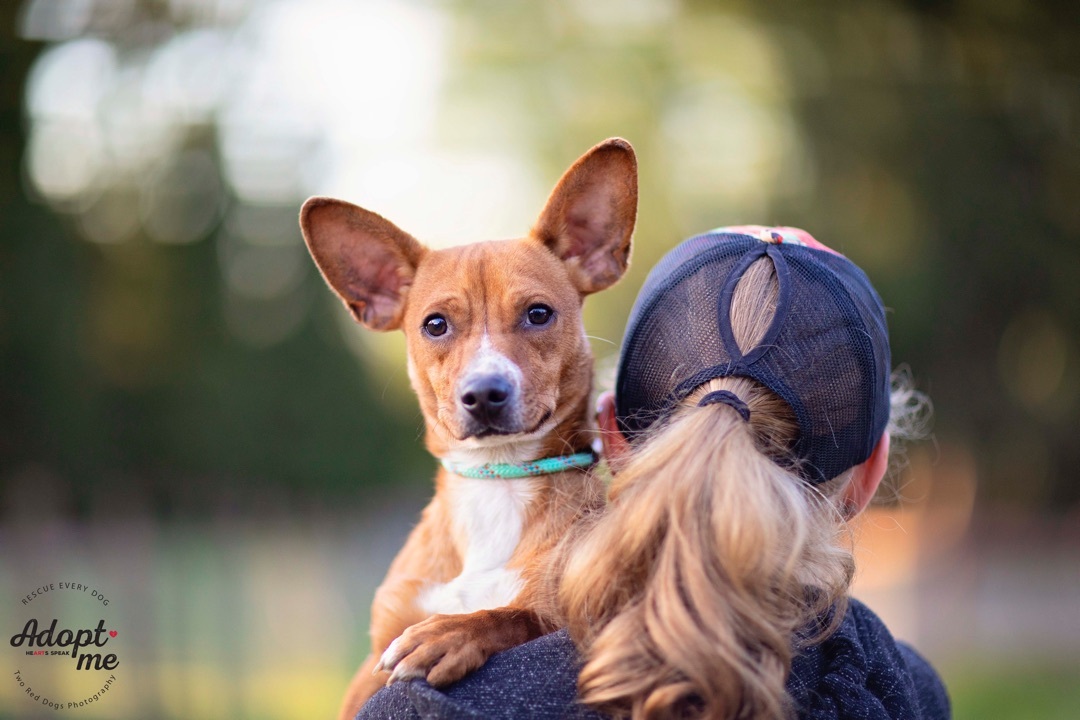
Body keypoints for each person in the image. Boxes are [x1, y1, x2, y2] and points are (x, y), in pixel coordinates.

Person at [357, 226, 950, 720]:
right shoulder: (914, 689)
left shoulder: (453, 704)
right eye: (440, 326)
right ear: (873, 468)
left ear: (616, 436)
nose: (485, 373)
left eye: (535, 315)